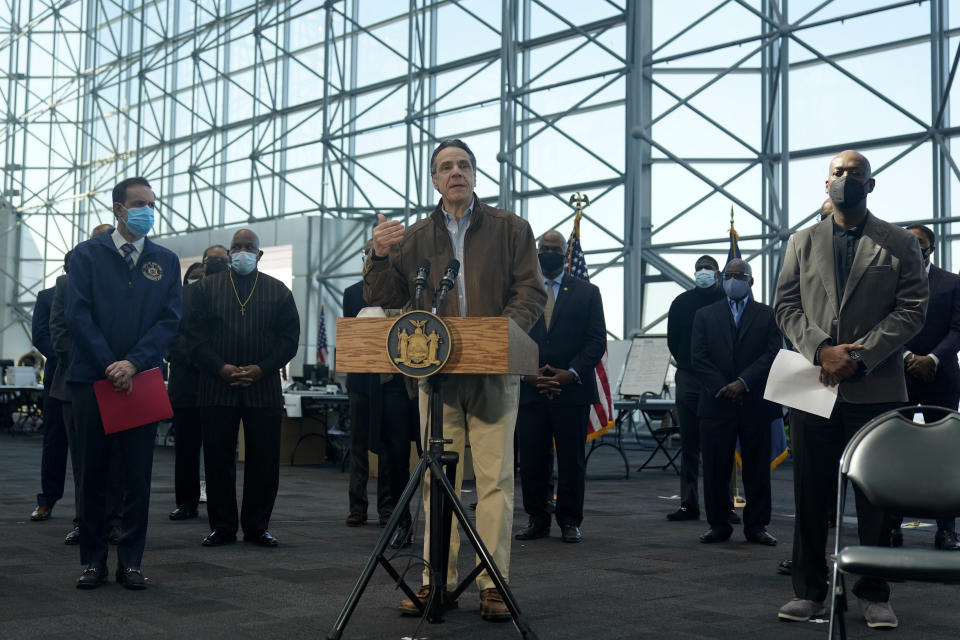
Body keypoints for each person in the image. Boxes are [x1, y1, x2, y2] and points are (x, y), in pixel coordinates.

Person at [363, 138, 545, 621]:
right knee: (435, 483)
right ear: (434, 179)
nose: (456, 172)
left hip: (493, 370)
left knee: (494, 482)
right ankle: (434, 582)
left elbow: (531, 290)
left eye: (464, 165)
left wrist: (503, 334)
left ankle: (492, 584)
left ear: (475, 174)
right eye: (446, 167)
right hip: (436, 375)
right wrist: (378, 254)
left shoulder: (511, 228)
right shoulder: (415, 237)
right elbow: (384, 294)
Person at [774, 150, 927, 628]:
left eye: (855, 175)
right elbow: (785, 305)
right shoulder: (801, 241)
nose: (846, 180)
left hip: (876, 386)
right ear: (826, 184)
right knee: (810, 494)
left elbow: (912, 310)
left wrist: (856, 355)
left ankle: (874, 592)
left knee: (877, 500)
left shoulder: (898, 242)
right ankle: (810, 590)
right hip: (814, 385)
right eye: (838, 174)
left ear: (871, 184)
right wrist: (823, 350)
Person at [67, 177, 182, 589]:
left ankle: (131, 561)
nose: (147, 210)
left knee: (137, 476)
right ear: (118, 208)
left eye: (151, 203)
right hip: (91, 381)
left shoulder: (166, 261)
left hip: (142, 380)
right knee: (92, 474)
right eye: (139, 203)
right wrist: (110, 364)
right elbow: (78, 315)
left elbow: (169, 319)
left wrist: (132, 363)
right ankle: (93, 560)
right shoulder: (86, 256)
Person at [187, 229, 300, 548]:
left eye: (248, 247)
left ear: (259, 254)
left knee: (264, 461)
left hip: (262, 387)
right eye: (236, 247)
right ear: (229, 251)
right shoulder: (206, 289)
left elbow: (289, 340)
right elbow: (194, 337)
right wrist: (221, 368)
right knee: (217, 460)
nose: (242, 252)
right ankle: (222, 527)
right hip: (215, 385)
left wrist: (261, 369)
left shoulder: (278, 291)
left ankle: (257, 526)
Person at [515, 229, 606, 544]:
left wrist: (570, 373)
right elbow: (510, 334)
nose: (548, 252)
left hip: (572, 389)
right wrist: (527, 374)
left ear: (566, 253)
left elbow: (596, 341)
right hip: (530, 388)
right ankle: (537, 518)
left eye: (555, 248)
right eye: (544, 247)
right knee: (531, 460)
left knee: (571, 460)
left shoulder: (587, 292)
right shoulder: (522, 291)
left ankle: (570, 520)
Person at [691, 258, 781, 545]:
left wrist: (743, 382)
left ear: (751, 281)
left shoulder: (768, 315)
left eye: (739, 275)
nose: (733, 280)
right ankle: (718, 524)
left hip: (755, 403)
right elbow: (698, 357)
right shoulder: (705, 315)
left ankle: (757, 526)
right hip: (716, 402)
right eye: (728, 275)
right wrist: (722, 386)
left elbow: (772, 354)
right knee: (715, 468)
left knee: (757, 469)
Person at [891, 224, 960, 550]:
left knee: (944, 456)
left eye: (918, 243)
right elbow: (883, 327)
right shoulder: (887, 283)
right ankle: (890, 527)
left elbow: (958, 329)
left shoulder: (952, 282)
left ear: (931, 248)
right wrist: (908, 358)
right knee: (894, 454)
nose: (912, 247)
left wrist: (931, 359)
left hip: (941, 378)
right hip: (897, 378)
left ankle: (946, 530)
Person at [49, 226, 117, 546]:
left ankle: (116, 520)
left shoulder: (126, 282)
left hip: (120, 382)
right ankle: (84, 521)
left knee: (119, 458)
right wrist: (98, 362)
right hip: (77, 383)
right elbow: (59, 333)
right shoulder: (66, 282)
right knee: (83, 459)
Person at [342, 276, 419, 548]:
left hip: (396, 381)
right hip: (362, 379)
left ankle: (388, 508)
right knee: (359, 446)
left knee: (391, 447)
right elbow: (349, 336)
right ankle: (357, 506)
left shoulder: (411, 291)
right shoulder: (352, 293)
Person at [166, 246, 229, 521]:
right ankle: (186, 502)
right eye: (207, 264)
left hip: (218, 383)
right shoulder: (178, 297)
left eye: (217, 262)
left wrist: (214, 362)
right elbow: (171, 336)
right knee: (186, 449)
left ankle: (220, 502)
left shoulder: (230, 296)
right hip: (187, 381)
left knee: (219, 450)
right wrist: (200, 358)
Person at [665, 255, 725, 521]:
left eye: (708, 268)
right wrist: (689, 364)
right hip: (688, 377)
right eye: (699, 268)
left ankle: (724, 505)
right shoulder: (681, 303)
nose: (703, 272)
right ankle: (689, 503)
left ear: (718, 273)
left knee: (722, 444)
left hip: (721, 380)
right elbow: (673, 341)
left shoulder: (727, 301)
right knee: (689, 443)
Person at [29, 281, 66, 522]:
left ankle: (95, 511)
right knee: (54, 441)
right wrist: (67, 355)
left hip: (95, 376)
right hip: (58, 376)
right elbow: (40, 336)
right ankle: (47, 501)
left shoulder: (101, 289)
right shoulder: (46, 297)